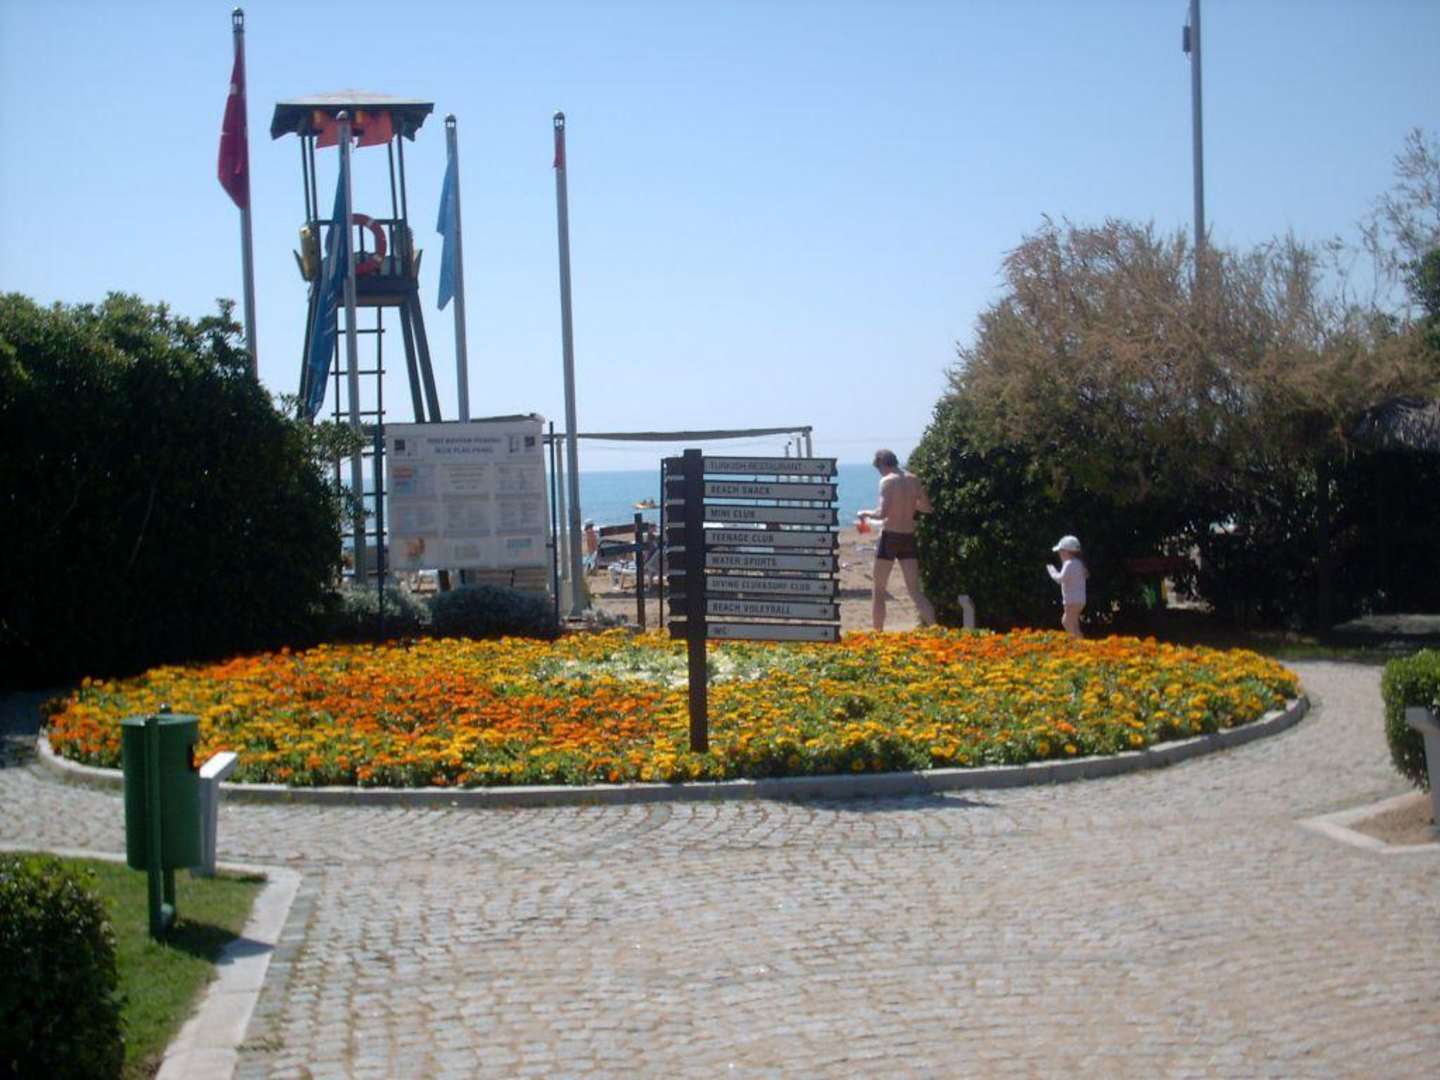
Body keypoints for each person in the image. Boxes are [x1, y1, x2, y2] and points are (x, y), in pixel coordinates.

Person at [857, 449, 936, 631]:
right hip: (908, 536)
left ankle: (878, 633)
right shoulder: (914, 479)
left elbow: (881, 513)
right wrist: (908, 503)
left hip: (890, 536)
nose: (880, 473)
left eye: (879, 469)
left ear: (882, 464)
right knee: (914, 590)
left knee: (878, 588)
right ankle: (936, 629)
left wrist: (864, 513)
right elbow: (927, 508)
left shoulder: (887, 481)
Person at [1046, 534, 1088, 639]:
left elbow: (1060, 579)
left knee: (1066, 622)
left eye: (1060, 552)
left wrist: (1052, 571)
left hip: (1072, 600)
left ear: (1066, 552)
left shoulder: (1069, 564)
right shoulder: (1079, 563)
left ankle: (1078, 643)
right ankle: (1080, 642)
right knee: (1074, 623)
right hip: (1079, 600)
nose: (1059, 554)